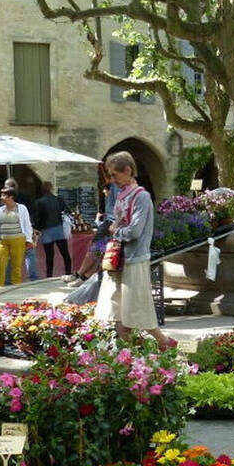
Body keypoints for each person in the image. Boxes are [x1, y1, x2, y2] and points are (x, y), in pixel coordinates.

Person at [95, 151, 176, 352]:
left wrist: (116, 230)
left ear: (128, 170)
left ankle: (163, 341)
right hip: (119, 258)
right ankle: (127, 354)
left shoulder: (142, 197)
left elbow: (135, 230)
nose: (112, 181)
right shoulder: (122, 195)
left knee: (138, 307)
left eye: (115, 175)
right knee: (119, 310)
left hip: (134, 257)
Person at [65, 165, 118, 286]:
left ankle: (80, 274)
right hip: (111, 221)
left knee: (95, 248)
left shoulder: (116, 185)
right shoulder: (115, 185)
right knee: (100, 249)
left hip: (110, 222)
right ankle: (85, 276)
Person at [0, 187, 34, 286]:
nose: (1, 197)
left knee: (16, 266)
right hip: (2, 240)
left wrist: (28, 239)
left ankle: (16, 286)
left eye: (4, 195)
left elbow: (27, 224)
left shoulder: (21, 208)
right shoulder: (1, 209)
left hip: (18, 239)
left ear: (11, 197)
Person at [35, 181, 73, 278]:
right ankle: (68, 272)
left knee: (49, 255)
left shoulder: (39, 202)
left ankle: (49, 275)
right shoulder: (58, 199)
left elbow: (37, 217)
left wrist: (37, 228)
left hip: (46, 230)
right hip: (59, 228)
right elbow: (67, 211)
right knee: (65, 253)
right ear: (51, 188)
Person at [5, 177, 39, 280]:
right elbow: (33, 212)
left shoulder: (4, 200)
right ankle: (33, 278)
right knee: (29, 254)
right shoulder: (25, 197)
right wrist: (32, 226)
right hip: (25, 230)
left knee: (11, 257)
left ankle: (8, 281)